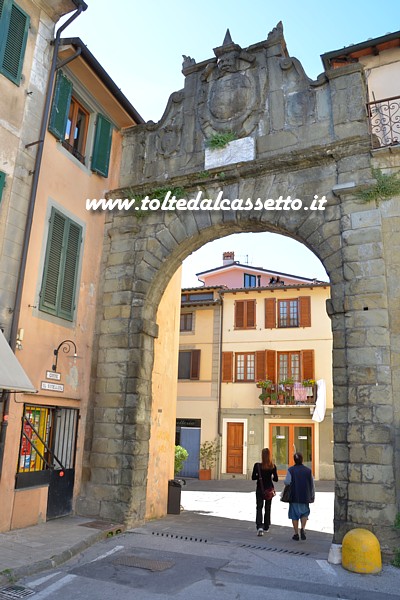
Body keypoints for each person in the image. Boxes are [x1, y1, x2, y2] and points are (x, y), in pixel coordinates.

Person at [284, 452, 315, 541]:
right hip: (305, 496)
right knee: (304, 513)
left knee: (294, 515)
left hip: (294, 495)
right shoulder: (308, 471)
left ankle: (296, 533)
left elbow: (287, 482)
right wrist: (312, 495)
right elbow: (312, 484)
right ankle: (303, 528)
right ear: (302, 459)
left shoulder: (291, 470)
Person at [251, 448, 278, 536]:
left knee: (259, 507)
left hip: (260, 489)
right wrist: (271, 477)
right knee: (268, 507)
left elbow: (253, 477)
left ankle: (259, 526)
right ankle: (266, 525)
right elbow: (276, 479)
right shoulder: (273, 466)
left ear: (262, 456)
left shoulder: (257, 466)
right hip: (269, 489)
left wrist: (259, 476)